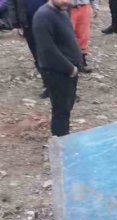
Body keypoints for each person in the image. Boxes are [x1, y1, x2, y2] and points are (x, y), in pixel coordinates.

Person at [33, 0, 82, 136]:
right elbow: (47, 49)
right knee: (60, 111)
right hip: (56, 71)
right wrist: (70, 68)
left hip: (68, 71)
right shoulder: (43, 16)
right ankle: (60, 143)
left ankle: (64, 137)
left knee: (66, 108)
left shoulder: (63, 10)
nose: (67, 1)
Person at [7, 0, 49, 98]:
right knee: (37, 55)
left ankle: (62, 86)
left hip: (48, 20)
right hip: (28, 23)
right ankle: (48, 84)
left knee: (52, 53)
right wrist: (15, 24)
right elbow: (11, 2)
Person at [69, 0, 97, 73]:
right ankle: (68, 62)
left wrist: (95, 6)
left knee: (83, 36)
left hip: (84, 7)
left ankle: (81, 61)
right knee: (67, 35)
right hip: (67, 8)